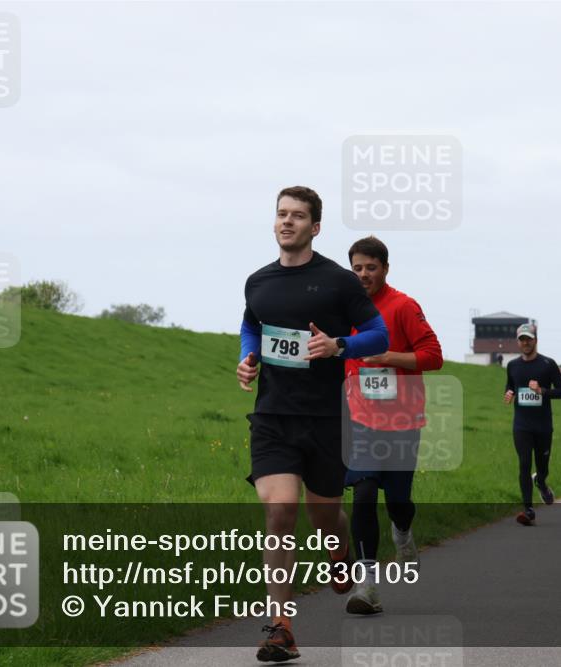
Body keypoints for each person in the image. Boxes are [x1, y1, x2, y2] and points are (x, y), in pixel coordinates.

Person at [237, 186, 390, 662]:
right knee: (280, 509)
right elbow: (251, 326)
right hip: (273, 417)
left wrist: (338, 345)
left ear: (315, 226)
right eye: (281, 214)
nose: (287, 222)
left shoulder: (339, 281)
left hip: (325, 419)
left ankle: (338, 552)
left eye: (297, 216)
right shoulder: (258, 282)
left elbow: (377, 334)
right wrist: (245, 356)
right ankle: (279, 626)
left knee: (324, 515)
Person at [342, 236, 443, 615]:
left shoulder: (402, 306)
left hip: (402, 419)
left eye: (371, 267)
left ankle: (402, 531)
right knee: (364, 493)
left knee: (398, 501)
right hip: (359, 419)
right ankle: (367, 585)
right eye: (357, 268)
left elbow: (434, 356)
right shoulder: (345, 309)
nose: (363, 274)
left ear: (385, 268)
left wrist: (390, 357)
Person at [504, 323, 561, 525]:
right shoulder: (513, 365)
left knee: (542, 467)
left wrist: (542, 391)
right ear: (518, 342)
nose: (525, 343)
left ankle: (541, 481)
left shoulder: (548, 364)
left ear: (535, 340)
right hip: (521, 425)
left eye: (528, 339)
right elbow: (511, 384)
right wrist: (509, 392)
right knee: (524, 463)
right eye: (522, 339)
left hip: (543, 425)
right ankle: (528, 509)